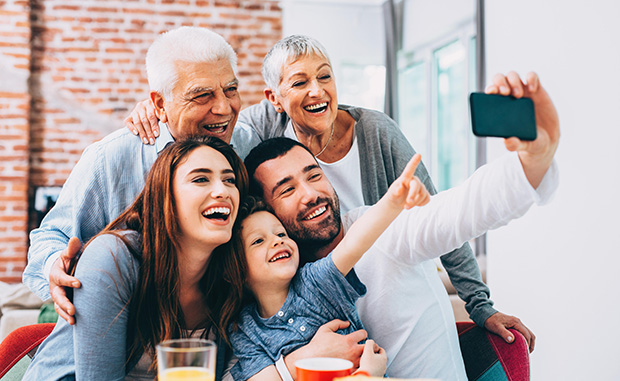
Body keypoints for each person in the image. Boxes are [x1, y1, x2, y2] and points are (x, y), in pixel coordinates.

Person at [126, 35, 534, 349]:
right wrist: (154, 113)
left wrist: (479, 305)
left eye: (325, 76)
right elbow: (213, 125)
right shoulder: (262, 133)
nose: (316, 91)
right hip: (315, 297)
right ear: (275, 99)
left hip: (390, 276)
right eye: (299, 82)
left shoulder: (375, 131)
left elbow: (441, 217)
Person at [240, 72, 559, 379]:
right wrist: (296, 363)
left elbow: (459, 210)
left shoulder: (378, 228)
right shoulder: (274, 284)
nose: (311, 194)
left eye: (314, 175)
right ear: (266, 211)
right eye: (287, 189)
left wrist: (534, 159)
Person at [22, 26, 262, 324]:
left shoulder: (249, 144)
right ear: (160, 104)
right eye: (202, 96)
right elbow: (50, 237)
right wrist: (55, 266)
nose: (224, 108)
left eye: (231, 90)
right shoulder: (111, 158)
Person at [24, 136, 248, 380]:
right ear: (165, 196)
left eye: (229, 180)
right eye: (200, 179)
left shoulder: (229, 274)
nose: (222, 191)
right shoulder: (115, 256)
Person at [227, 152, 428, 380]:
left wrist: (393, 201)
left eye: (280, 233)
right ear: (238, 271)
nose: (277, 241)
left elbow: (354, 243)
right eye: (258, 241)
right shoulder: (245, 328)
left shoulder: (314, 283)